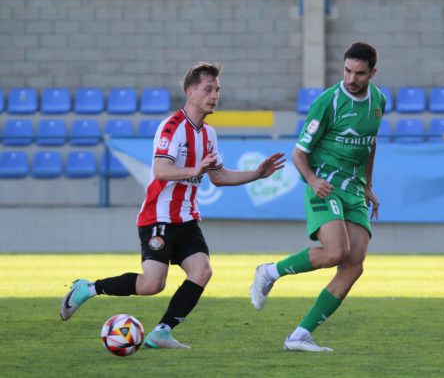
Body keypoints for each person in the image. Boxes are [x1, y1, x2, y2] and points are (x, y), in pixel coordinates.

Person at [61, 62, 285, 350]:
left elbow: (217, 176)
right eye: (208, 89)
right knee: (152, 285)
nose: (215, 95)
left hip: (187, 218)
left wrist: (257, 174)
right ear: (191, 92)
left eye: (217, 89)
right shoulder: (172, 127)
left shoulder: (209, 134)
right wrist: (194, 169)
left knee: (202, 271)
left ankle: (162, 331)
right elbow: (160, 170)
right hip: (159, 216)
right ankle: (88, 288)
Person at [249, 42, 386, 352]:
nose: (352, 78)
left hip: (354, 188)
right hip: (324, 183)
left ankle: (299, 335)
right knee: (337, 251)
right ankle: (269, 272)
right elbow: (299, 153)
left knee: (354, 265)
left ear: (372, 73)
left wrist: (368, 185)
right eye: (348, 70)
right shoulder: (329, 102)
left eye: (360, 73)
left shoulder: (378, 100)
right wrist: (312, 179)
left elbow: (370, 143)